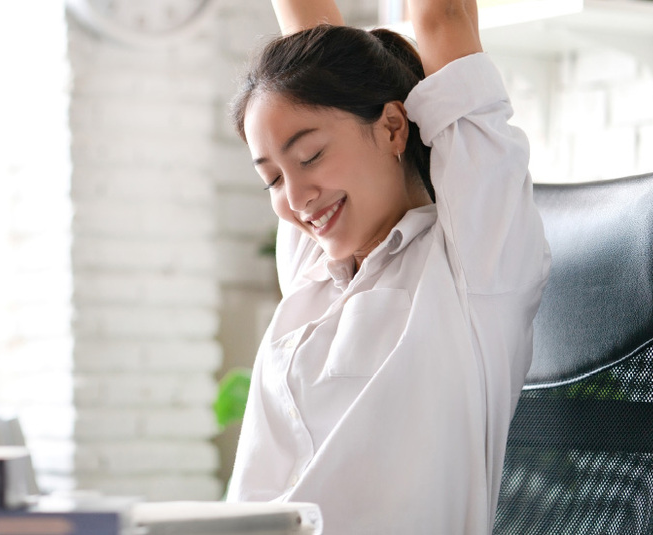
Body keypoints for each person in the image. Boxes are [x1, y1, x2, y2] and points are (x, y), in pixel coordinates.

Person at [226, 0, 551, 532]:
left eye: (308, 157)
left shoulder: (472, 265)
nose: (297, 198)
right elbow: (312, 55)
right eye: (273, 179)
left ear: (393, 128)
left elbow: (442, 17)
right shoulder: (313, 271)